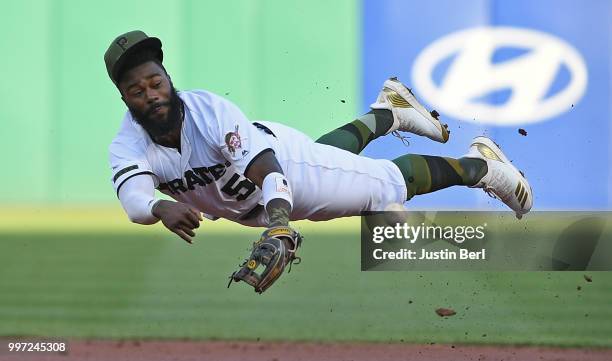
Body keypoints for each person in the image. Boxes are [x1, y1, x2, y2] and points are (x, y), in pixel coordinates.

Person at [104, 31, 532, 289]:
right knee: (334, 160)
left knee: (383, 188)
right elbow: (133, 198)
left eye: (155, 81)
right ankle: (389, 112)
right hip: (261, 192)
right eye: (137, 90)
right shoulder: (129, 143)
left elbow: (269, 171)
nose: (151, 94)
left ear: (167, 76)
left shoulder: (208, 113)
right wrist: (160, 206)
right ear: (124, 97)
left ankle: (482, 165)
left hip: (289, 173)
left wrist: (278, 225)